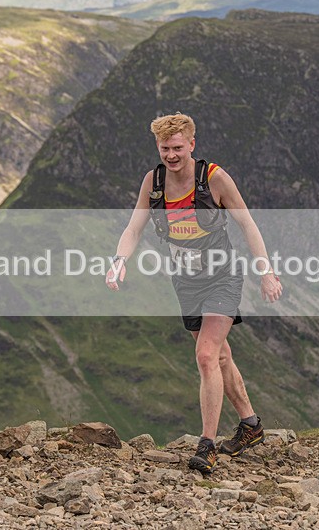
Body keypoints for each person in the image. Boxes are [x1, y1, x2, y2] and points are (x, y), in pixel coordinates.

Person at [106, 113, 282, 473]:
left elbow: (247, 224)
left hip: (223, 277)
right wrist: (119, 261)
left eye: (177, 148)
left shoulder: (214, 178)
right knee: (219, 357)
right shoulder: (153, 181)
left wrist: (266, 272)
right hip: (186, 282)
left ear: (192, 144)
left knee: (205, 355)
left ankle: (206, 446)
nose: (171, 155)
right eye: (164, 148)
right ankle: (250, 425)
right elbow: (134, 227)